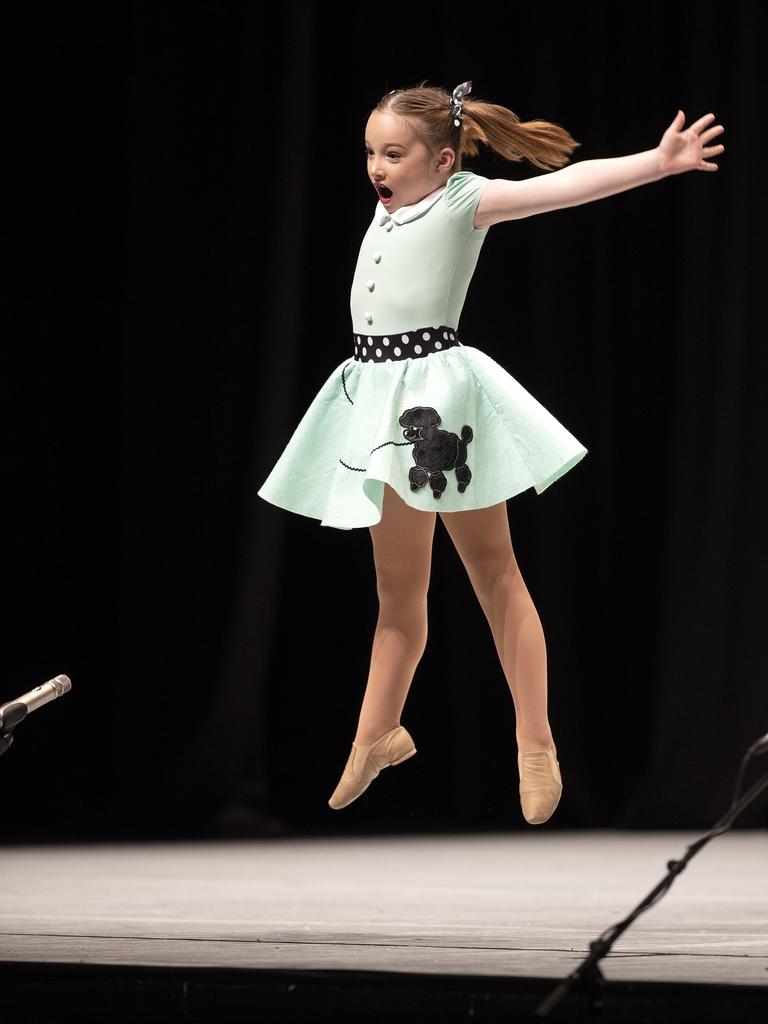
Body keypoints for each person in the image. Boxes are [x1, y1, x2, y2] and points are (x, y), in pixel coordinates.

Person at [257, 81, 725, 824]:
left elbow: (564, 187)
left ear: (443, 161)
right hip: (376, 401)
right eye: (370, 153)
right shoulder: (389, 211)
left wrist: (656, 164)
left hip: (439, 401)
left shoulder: (460, 201)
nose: (377, 167)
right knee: (398, 594)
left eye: (394, 153)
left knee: (494, 574)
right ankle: (375, 735)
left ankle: (535, 743)